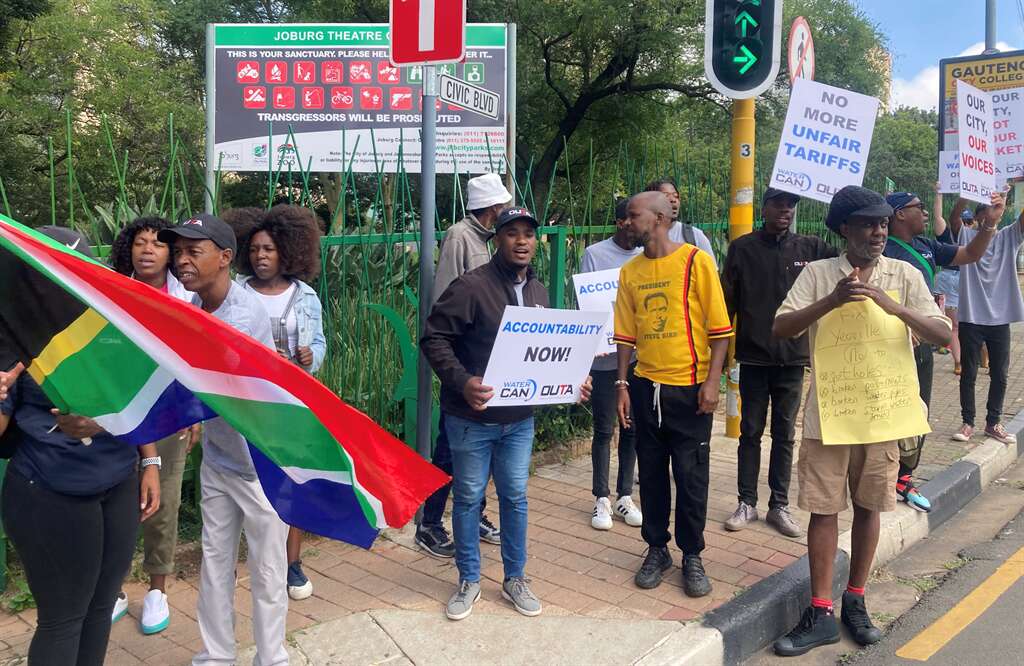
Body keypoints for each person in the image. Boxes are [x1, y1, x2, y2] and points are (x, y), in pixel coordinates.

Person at [771, 186, 951, 657]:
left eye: (884, 224)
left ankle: (856, 599)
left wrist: (893, 306)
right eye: (868, 225)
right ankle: (821, 610)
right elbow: (781, 328)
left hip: (883, 413)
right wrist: (830, 302)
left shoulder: (904, 274)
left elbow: (942, 334)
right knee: (824, 509)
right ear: (843, 230)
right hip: (829, 415)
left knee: (870, 506)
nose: (878, 232)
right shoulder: (817, 274)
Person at [421, 206, 592, 621]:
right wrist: (462, 381)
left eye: (528, 235)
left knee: (515, 498)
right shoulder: (470, 287)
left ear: (536, 242)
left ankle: (516, 578)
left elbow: (541, 351)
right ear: (496, 239)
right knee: (467, 499)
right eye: (512, 233)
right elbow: (433, 337)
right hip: (471, 419)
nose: (521, 241)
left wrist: (571, 380)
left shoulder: (536, 291)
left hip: (518, 421)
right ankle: (469, 580)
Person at [0, 227, 161, 666]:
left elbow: (136, 398)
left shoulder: (111, 321)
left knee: (99, 609)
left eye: (73, 271)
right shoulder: (12, 331)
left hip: (117, 483)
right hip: (50, 489)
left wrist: (151, 461)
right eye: (52, 273)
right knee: (64, 617)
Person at [158, 214, 289, 666]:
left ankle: (271, 657)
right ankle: (216, 655)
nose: (182, 261)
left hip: (261, 465)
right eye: (179, 252)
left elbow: (225, 388)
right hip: (219, 458)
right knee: (215, 561)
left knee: (269, 568)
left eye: (194, 251)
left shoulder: (243, 313)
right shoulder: (195, 308)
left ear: (225, 258)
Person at [613, 191, 733, 597]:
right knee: (650, 472)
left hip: (690, 390)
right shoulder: (630, 272)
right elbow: (625, 335)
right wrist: (622, 384)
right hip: (647, 388)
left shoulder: (696, 262)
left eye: (633, 215)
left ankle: (692, 555)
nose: (626, 222)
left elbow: (720, 332)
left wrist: (712, 382)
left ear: (660, 218)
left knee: (691, 474)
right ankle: (657, 548)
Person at [720, 188, 837, 538]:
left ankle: (779, 505)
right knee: (750, 432)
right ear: (765, 207)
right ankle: (746, 502)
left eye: (792, 204)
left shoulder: (812, 249)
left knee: (785, 434)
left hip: (793, 359)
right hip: (754, 357)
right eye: (779, 203)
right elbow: (728, 304)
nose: (786, 210)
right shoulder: (743, 248)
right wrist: (722, 357)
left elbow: (846, 267)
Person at [109, 217, 200, 634]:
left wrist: (192, 410)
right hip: (115, 411)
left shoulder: (187, 298)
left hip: (166, 412)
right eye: (140, 242)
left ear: (170, 252)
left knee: (162, 500)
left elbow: (196, 360)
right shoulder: (109, 290)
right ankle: (113, 587)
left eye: (157, 244)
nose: (147, 249)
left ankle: (158, 588)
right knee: (113, 498)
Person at [415, 172, 511, 559]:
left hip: (492, 357)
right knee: (449, 447)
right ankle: (430, 523)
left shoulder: (489, 240)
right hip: (464, 359)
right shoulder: (459, 236)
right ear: (492, 208)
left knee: (484, 444)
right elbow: (444, 296)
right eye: (501, 205)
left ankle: (476, 515)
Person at [882, 189, 996, 512]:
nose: (926, 214)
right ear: (900, 214)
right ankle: (882, 476)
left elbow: (970, 255)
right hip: (890, 346)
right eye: (920, 208)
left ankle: (904, 477)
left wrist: (989, 226)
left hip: (922, 346)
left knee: (919, 413)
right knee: (890, 411)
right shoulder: (885, 250)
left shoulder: (926, 246)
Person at [236, 204, 327, 601]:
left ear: (286, 251)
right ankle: (259, 559)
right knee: (252, 484)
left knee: (292, 481)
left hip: (292, 402)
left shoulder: (304, 295)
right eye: (255, 249)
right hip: (250, 404)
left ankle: (291, 563)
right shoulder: (236, 291)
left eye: (269, 249)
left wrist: (312, 356)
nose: (261, 256)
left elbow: (320, 342)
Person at [579, 198, 643, 530]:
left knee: (631, 427)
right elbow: (589, 304)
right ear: (621, 222)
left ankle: (624, 495)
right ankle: (601, 498)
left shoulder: (648, 257)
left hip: (638, 357)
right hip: (605, 357)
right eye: (634, 218)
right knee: (604, 428)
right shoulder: (595, 254)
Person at [946, 191, 1023, 445]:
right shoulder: (968, 236)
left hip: (1000, 318)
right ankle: (968, 422)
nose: (991, 217)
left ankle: (993, 423)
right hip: (971, 316)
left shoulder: (1009, 236)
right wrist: (968, 191)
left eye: (995, 212)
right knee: (968, 373)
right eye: (986, 213)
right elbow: (954, 217)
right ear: (978, 218)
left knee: (1000, 374)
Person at [932, 190, 977, 375]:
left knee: (955, 327)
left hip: (947, 279)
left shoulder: (945, 234)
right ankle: (980, 360)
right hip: (966, 279)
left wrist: (939, 194)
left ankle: (959, 362)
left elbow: (937, 216)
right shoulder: (975, 236)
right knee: (974, 322)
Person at [644, 179, 717, 266]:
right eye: (666, 196)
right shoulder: (641, 237)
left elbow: (711, 273)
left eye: (676, 196)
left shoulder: (694, 236)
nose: (673, 200)